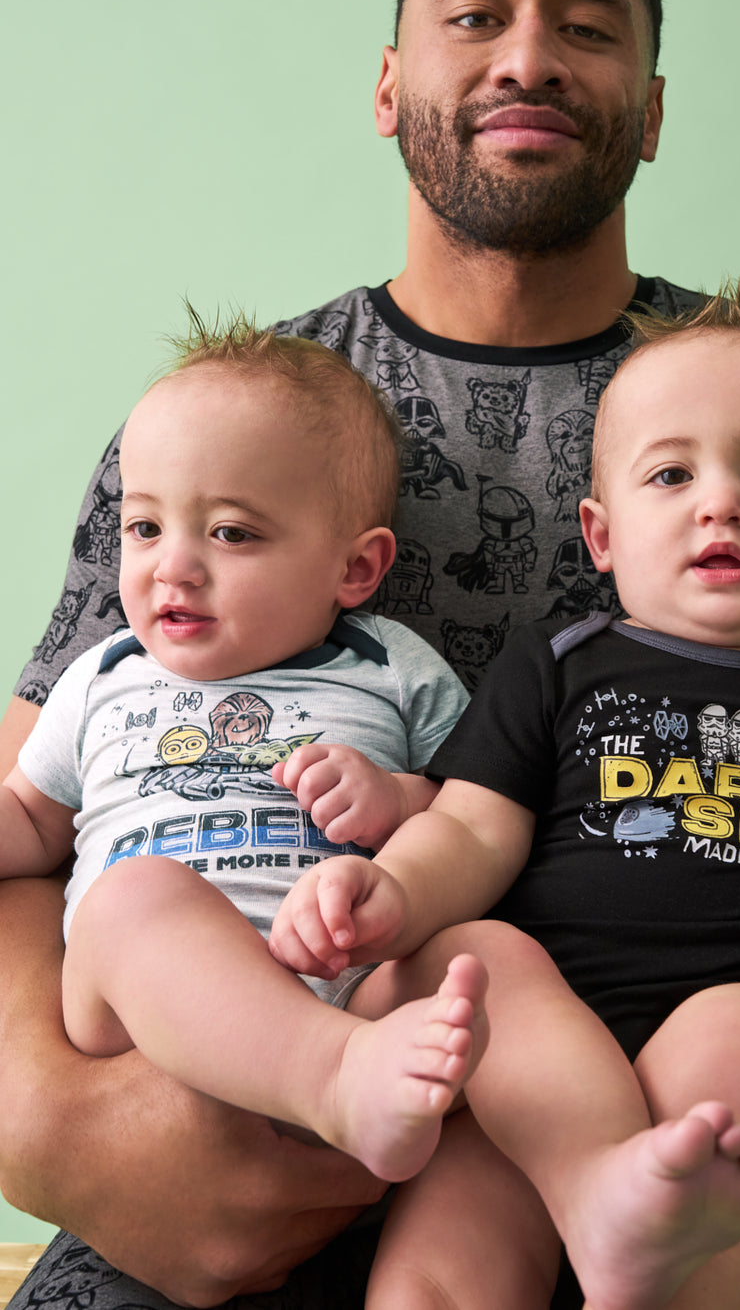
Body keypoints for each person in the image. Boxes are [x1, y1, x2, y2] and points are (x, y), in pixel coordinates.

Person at [0, 0, 740, 1310]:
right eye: (476, 12)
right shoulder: (235, 424)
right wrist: (50, 1122)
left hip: (706, 1140)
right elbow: (43, 811)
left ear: (651, 113)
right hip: (227, 1135)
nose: (530, 52)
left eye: (589, 24)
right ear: (389, 80)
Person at [286, 290, 740, 1310]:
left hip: (734, 1058)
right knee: (474, 963)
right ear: (602, 533)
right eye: (673, 474)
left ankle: (657, 1271)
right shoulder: (562, 665)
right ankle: (589, 1202)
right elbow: (473, 826)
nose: (722, 503)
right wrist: (391, 892)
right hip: (544, 1069)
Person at [0, 317, 496, 1185]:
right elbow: (31, 821)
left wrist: (401, 801)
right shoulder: (103, 676)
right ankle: (333, 1078)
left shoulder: (389, 668)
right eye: (145, 528)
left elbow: (477, 808)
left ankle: (598, 1168)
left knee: (495, 962)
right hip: (147, 1023)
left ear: (355, 569)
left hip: (350, 984)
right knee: (131, 899)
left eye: (230, 534)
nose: (173, 569)